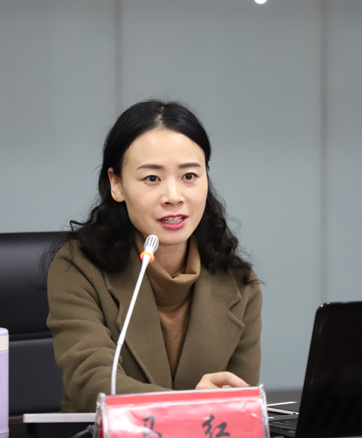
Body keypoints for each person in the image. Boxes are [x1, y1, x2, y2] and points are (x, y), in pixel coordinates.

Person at [47, 100, 262, 413]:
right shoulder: (78, 267)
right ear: (117, 184)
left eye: (189, 176)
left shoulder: (238, 282)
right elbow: (92, 384)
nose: (173, 196)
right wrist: (190, 406)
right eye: (152, 178)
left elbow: (239, 406)